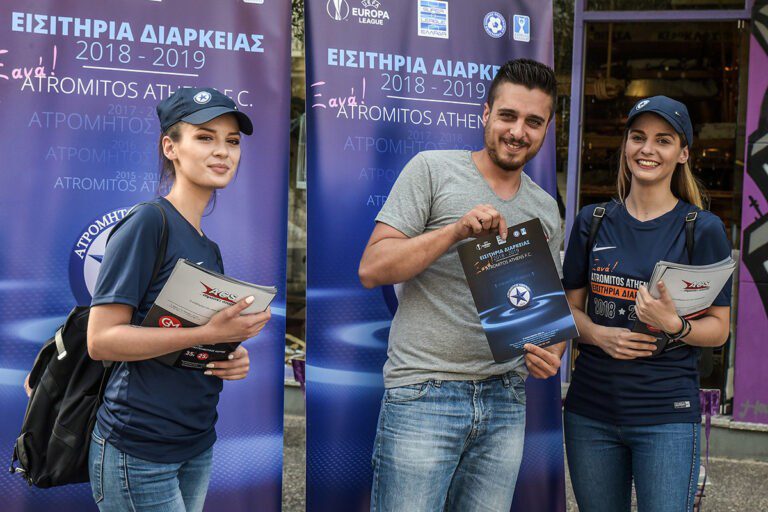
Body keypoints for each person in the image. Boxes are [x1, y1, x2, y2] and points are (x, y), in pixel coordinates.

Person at [358, 59, 565, 512]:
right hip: (424, 391)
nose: (518, 132)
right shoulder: (432, 170)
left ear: (547, 129)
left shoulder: (546, 209)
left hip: (505, 398)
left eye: (533, 122)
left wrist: (552, 351)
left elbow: (545, 315)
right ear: (485, 113)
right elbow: (372, 268)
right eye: (508, 116)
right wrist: (454, 232)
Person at [86, 87, 271, 512]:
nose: (223, 151)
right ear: (170, 147)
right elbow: (102, 340)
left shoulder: (208, 246)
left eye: (232, 141)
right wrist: (207, 333)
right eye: (205, 137)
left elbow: (186, 342)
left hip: (196, 441)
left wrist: (227, 354)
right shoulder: (149, 222)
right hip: (139, 447)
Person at [562, 96, 732, 512]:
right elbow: (566, 311)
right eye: (638, 137)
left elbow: (719, 329)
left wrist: (675, 325)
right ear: (626, 145)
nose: (647, 149)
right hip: (590, 412)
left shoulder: (701, 229)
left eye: (663, 140)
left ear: (683, 153)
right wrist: (599, 334)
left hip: (666, 415)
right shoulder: (592, 221)